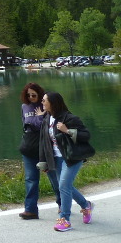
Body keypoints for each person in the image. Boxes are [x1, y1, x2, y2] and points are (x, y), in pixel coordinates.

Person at [37, 91, 95, 232]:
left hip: (71, 158)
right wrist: (43, 162)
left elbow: (86, 135)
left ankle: (65, 220)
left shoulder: (68, 118)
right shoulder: (47, 118)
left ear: (53, 103)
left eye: (44, 100)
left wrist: (67, 131)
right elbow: (43, 142)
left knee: (63, 185)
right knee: (64, 186)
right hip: (55, 158)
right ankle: (86, 205)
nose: (42, 103)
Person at [18, 83, 60, 219]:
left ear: (40, 94)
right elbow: (25, 125)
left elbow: (48, 125)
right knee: (30, 179)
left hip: (46, 147)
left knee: (54, 178)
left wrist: (40, 117)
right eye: (28, 95)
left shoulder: (47, 105)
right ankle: (30, 210)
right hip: (29, 147)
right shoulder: (24, 107)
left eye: (34, 95)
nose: (31, 97)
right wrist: (38, 120)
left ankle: (62, 204)